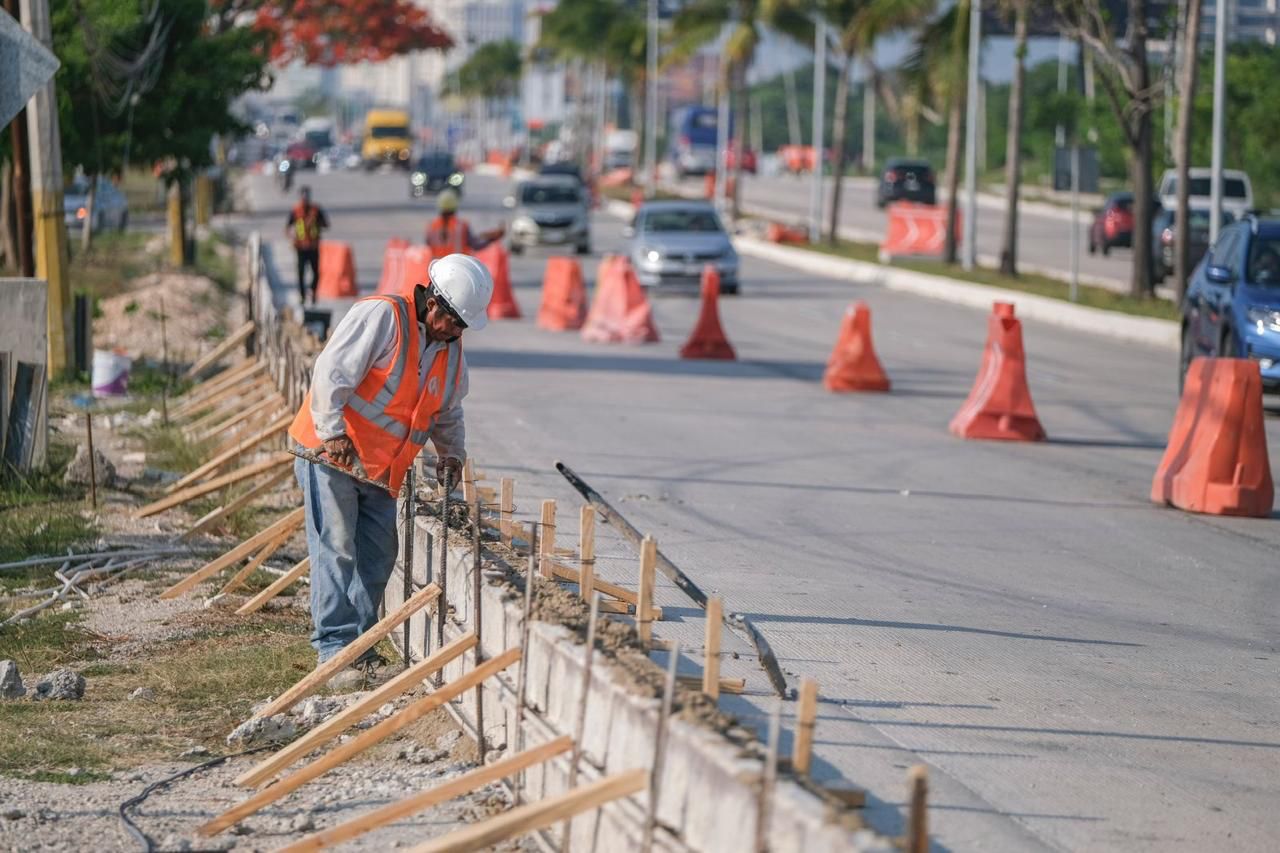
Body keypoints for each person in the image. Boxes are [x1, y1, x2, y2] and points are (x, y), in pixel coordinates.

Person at [288, 254, 494, 690]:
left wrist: (452, 454)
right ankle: (333, 653)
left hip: (380, 472)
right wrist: (332, 432)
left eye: (462, 327)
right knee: (337, 548)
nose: (455, 333)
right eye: (452, 322)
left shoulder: (451, 353)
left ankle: (358, 650)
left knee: (379, 557)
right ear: (432, 301)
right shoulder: (384, 316)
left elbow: (447, 410)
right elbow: (331, 372)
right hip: (332, 454)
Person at [425, 188, 503, 255]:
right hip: (459, 269)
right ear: (455, 206)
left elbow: (428, 247)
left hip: (437, 269)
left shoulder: (432, 226)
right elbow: (475, 244)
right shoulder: (461, 226)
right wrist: (491, 238)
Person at [287, 187, 329, 305]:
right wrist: (292, 239)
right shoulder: (296, 210)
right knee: (301, 273)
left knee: (316, 272)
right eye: (303, 196)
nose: (305, 199)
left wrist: (317, 222)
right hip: (300, 247)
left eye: (306, 196)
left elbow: (326, 224)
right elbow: (288, 227)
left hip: (313, 247)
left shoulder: (316, 210)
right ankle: (302, 296)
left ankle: (313, 292)